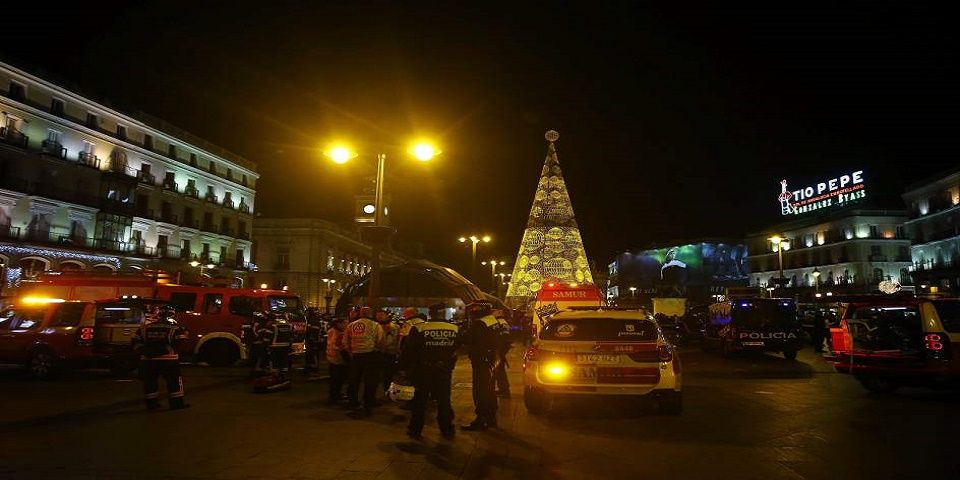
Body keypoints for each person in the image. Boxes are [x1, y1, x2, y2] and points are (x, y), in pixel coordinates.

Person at [399, 303, 460, 439]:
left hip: (423, 370)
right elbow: (457, 349)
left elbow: (409, 351)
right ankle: (447, 429)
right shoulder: (455, 328)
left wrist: (402, 367)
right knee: (443, 400)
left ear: (430, 313)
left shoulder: (420, 328)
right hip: (444, 370)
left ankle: (415, 429)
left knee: (420, 401)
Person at [132, 305, 189, 410]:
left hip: (148, 361)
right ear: (172, 315)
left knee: (150, 383)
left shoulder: (144, 328)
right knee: (174, 382)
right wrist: (163, 351)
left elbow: (135, 343)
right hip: (169, 361)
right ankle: (176, 404)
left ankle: (152, 405)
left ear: (158, 314)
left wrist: (147, 352)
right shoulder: (175, 328)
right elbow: (180, 343)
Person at [461, 301, 501, 431]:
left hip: (481, 360)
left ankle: (481, 419)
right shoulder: (492, 321)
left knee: (480, 390)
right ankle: (491, 417)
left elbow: (467, 338)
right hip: (491, 358)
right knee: (490, 389)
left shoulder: (479, 323)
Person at [343, 306, 385, 413]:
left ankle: (352, 401)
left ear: (360, 313)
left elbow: (345, 341)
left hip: (356, 355)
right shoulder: (375, 325)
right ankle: (368, 401)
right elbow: (380, 340)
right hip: (370, 355)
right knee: (370, 380)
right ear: (371, 314)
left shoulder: (351, 325)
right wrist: (378, 351)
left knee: (354, 380)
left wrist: (351, 352)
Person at [260, 311, 294, 381]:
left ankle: (275, 377)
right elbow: (292, 336)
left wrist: (265, 346)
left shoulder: (272, 325)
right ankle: (283, 376)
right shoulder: (289, 325)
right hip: (286, 346)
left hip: (274, 347)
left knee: (274, 361)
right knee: (284, 361)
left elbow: (267, 337)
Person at [376, 309, 401, 396]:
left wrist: (397, 350)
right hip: (378, 353)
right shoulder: (375, 326)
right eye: (378, 314)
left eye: (382, 314)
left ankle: (387, 392)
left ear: (386, 315)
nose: (379, 316)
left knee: (388, 374)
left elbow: (398, 339)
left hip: (390, 353)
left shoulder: (395, 326)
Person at [326, 316, 350, 404]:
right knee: (337, 380)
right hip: (338, 360)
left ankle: (334, 396)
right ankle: (334, 397)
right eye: (345, 323)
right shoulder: (339, 333)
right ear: (339, 324)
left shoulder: (332, 331)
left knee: (335, 380)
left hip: (333, 359)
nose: (346, 325)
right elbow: (339, 346)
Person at [492, 309, 512, 398]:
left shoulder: (498, 324)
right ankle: (503, 389)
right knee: (500, 370)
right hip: (502, 349)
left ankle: (504, 390)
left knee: (499, 371)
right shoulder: (504, 322)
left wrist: (499, 352)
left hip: (499, 350)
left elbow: (500, 338)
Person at [247, 311, 269, 377]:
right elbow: (260, 334)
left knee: (256, 358)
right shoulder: (259, 325)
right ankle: (257, 370)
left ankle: (255, 370)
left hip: (254, 344)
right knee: (260, 357)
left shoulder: (253, 324)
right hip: (258, 344)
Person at [302, 310, 324, 375]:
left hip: (313, 341)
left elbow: (313, 330)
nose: (305, 315)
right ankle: (309, 368)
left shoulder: (313, 320)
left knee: (313, 354)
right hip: (311, 340)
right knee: (309, 354)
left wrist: (313, 339)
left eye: (306, 313)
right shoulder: (311, 320)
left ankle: (314, 369)